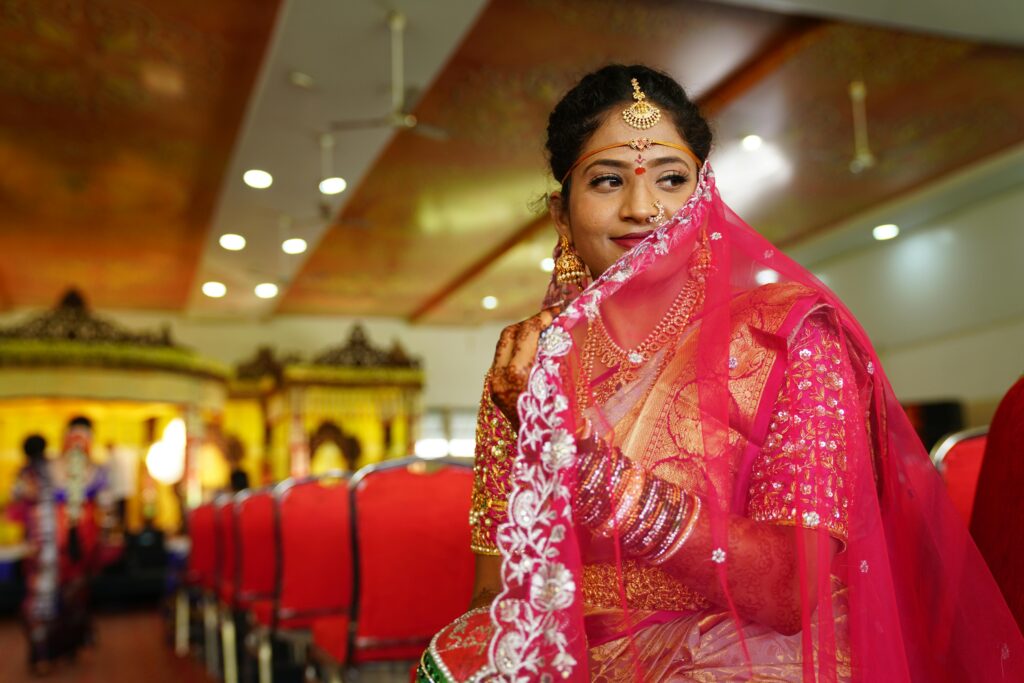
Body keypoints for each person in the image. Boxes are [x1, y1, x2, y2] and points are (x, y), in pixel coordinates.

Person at [417, 65, 1023, 682]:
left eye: (671, 180)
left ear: (704, 196)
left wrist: (587, 468)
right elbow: (498, 594)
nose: (643, 207)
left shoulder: (788, 339)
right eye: (606, 181)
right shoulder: (528, 366)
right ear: (561, 213)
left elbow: (790, 593)